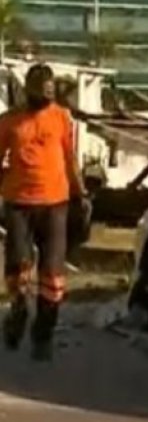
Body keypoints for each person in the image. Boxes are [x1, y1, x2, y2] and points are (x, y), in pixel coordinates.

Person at [0, 63, 86, 360]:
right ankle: (18, 312)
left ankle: (43, 335)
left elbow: (69, 157)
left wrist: (81, 194)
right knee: (17, 268)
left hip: (55, 204)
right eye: (42, 89)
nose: (47, 94)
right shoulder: (9, 121)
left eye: (51, 90)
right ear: (30, 89)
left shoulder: (61, 118)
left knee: (52, 274)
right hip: (19, 204)